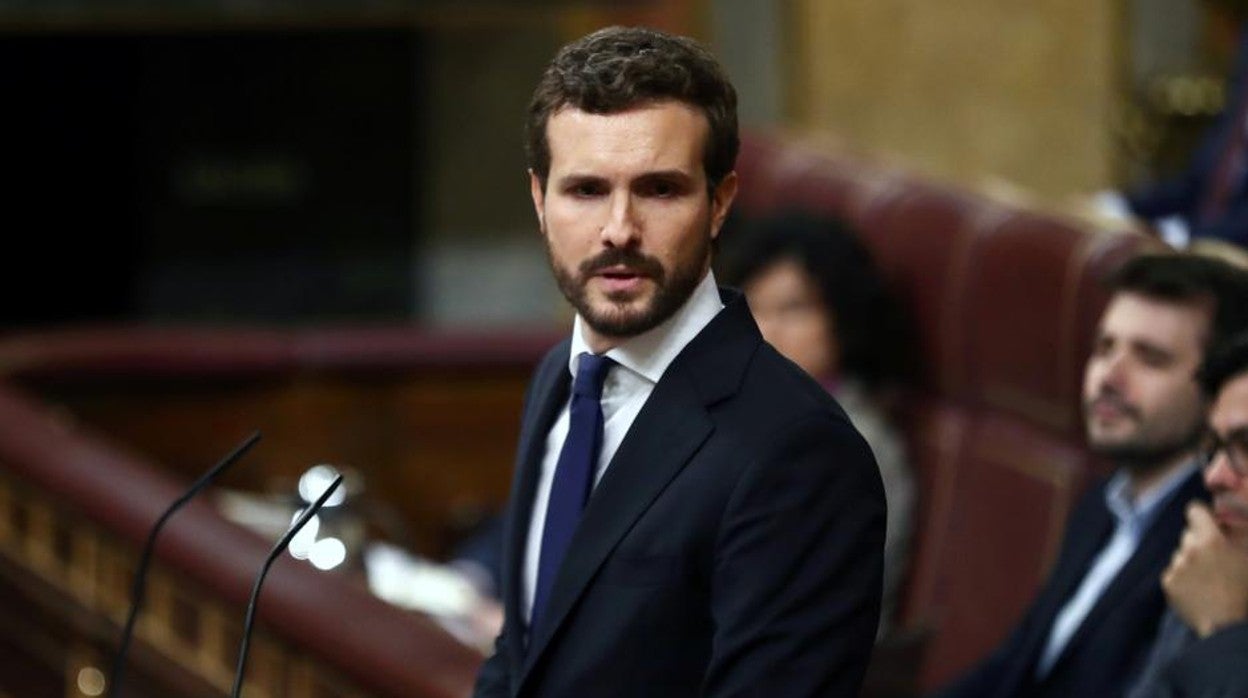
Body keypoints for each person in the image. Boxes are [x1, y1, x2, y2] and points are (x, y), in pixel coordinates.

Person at [472, 26, 886, 698]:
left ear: (719, 203)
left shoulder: (800, 453)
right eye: (585, 190)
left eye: (659, 190)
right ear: (538, 201)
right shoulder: (560, 377)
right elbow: (523, 659)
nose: (618, 230)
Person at [932, 253, 1248, 698]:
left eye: (1151, 359)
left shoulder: (1215, 542)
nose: (1109, 377)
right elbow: (1013, 670)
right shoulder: (1104, 499)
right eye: (1104, 348)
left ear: (1214, 388)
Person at [722, 211, 915, 635]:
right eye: (754, 308)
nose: (767, 331)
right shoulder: (747, 407)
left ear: (842, 319)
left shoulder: (852, 442)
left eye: (793, 310)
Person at [1128, 332, 1248, 698]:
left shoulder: (1215, 593)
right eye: (1213, 448)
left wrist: (1222, 631)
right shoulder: (1213, 566)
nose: (1215, 477)